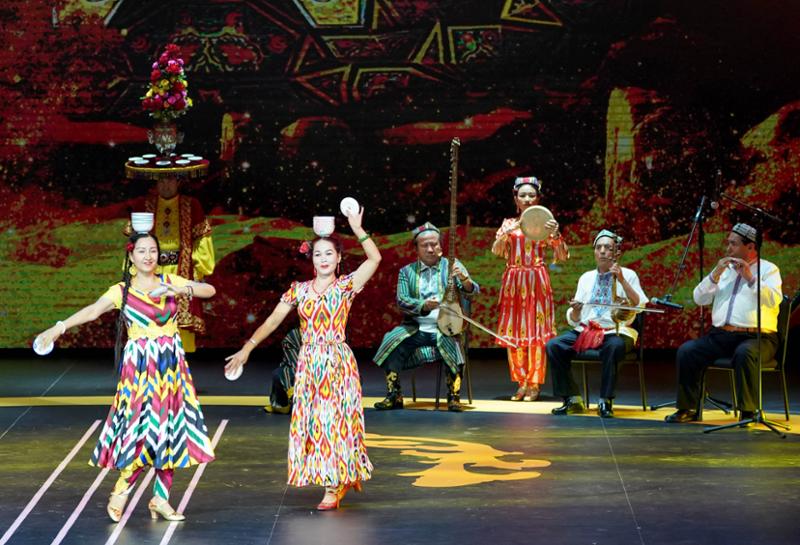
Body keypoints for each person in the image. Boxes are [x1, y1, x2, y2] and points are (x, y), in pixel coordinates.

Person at [34, 232, 216, 522]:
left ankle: (160, 498)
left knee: (169, 428)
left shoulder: (169, 281)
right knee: (141, 429)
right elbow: (93, 311)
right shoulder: (122, 291)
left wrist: (181, 289)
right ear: (131, 257)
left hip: (170, 366)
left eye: (153, 250)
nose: (148, 256)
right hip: (140, 369)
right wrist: (59, 328)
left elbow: (209, 290)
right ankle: (122, 489)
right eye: (141, 251)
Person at [224, 208, 380, 511]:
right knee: (316, 422)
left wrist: (358, 228)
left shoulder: (346, 286)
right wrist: (247, 348)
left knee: (336, 421)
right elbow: (272, 321)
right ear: (312, 260)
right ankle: (338, 476)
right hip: (309, 363)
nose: (323, 259)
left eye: (329, 254)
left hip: (337, 362)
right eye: (318, 254)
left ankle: (334, 484)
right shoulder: (299, 291)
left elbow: (374, 259)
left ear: (338, 258)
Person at [665, 223, 782, 424]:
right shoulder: (725, 271)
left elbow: (774, 300)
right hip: (721, 335)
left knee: (745, 353)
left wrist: (750, 278)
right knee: (688, 351)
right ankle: (688, 408)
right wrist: (714, 275)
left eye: (733, 244)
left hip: (758, 337)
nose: (728, 248)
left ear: (750, 246)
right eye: (728, 243)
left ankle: (749, 412)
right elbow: (699, 298)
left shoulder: (769, 269)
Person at [372, 222, 478, 412]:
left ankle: (453, 396)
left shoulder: (452, 265)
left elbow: (472, 292)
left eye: (434, 244)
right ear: (417, 248)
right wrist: (423, 305)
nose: (430, 249)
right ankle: (394, 394)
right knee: (391, 341)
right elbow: (402, 301)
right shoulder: (407, 272)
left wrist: (464, 279)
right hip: (415, 328)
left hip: (445, 327)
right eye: (425, 245)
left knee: (453, 345)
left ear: (440, 245)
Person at [545, 229, 648, 418]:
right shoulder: (586, 277)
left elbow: (639, 305)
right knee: (554, 345)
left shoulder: (629, 274)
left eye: (607, 248)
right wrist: (576, 310)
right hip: (587, 330)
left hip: (616, 331)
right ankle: (572, 399)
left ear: (617, 253)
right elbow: (575, 319)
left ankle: (605, 400)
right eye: (598, 247)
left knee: (614, 346)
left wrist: (622, 280)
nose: (602, 251)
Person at [492, 176, 569, 401]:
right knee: (515, 330)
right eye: (522, 195)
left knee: (536, 330)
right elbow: (497, 251)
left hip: (536, 280)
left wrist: (556, 234)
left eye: (531, 195)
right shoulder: (508, 223)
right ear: (516, 199)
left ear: (538, 199)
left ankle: (534, 383)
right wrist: (508, 232)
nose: (527, 199)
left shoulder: (545, 224)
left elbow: (562, 255)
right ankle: (521, 382)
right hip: (514, 281)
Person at [125, 174, 215, 352]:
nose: (165, 184)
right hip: (150, 270)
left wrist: (199, 270)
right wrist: (132, 272)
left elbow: (202, 240)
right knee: (147, 321)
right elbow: (132, 243)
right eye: (161, 180)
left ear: (178, 181)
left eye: (170, 180)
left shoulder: (191, 205)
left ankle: (178, 362)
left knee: (180, 329)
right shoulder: (143, 205)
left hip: (181, 270)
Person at [264, 327, 302, 414]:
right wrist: (292, 389)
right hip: (302, 369)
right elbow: (293, 363)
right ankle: (281, 404)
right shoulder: (293, 337)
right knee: (279, 374)